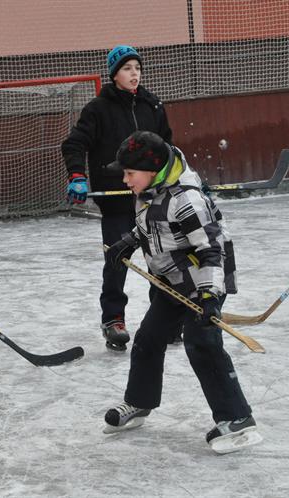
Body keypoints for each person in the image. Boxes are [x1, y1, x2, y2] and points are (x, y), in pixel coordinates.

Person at [102, 131, 262, 454]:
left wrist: (209, 296)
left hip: (202, 281)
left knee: (201, 342)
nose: (125, 178)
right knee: (148, 339)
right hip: (171, 282)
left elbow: (212, 250)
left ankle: (238, 418)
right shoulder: (149, 190)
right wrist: (130, 241)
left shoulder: (185, 199)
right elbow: (151, 225)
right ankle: (140, 401)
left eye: (129, 173)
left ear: (151, 169)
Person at [62, 45, 174, 351]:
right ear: (114, 74)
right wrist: (77, 176)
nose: (134, 73)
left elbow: (167, 148)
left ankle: (163, 320)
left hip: (151, 200)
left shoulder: (152, 105)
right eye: (127, 68)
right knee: (117, 260)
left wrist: (177, 180)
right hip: (115, 201)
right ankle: (113, 320)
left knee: (160, 261)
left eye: (137, 67)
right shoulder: (98, 109)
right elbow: (73, 144)